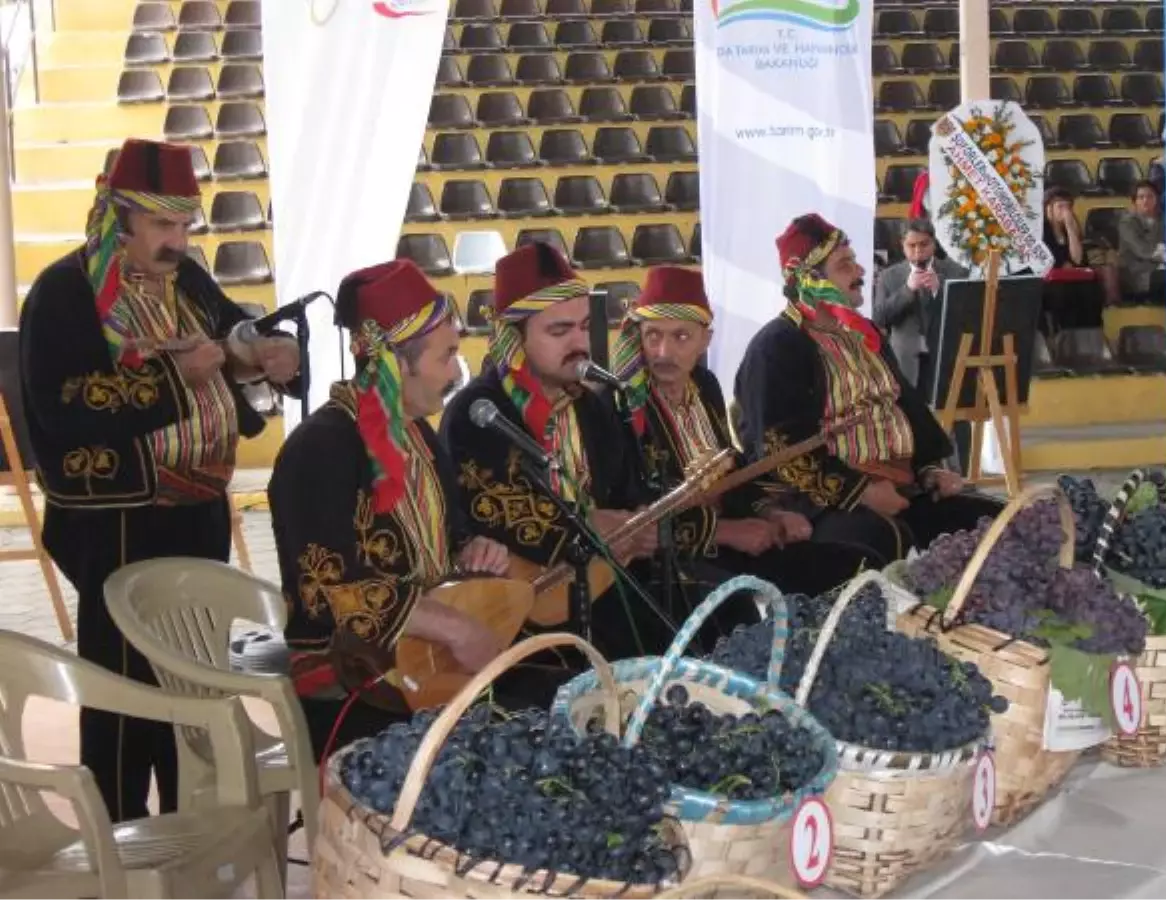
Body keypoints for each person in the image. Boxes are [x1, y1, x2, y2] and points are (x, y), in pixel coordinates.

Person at [18, 138, 301, 824]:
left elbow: (229, 328)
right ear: (119, 216)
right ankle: (121, 839)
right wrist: (178, 377)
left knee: (194, 674)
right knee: (123, 689)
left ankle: (192, 827)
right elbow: (63, 406)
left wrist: (259, 351)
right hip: (117, 521)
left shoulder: (185, 277)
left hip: (195, 511)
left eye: (185, 224)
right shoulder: (65, 292)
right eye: (163, 226)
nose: (178, 241)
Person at [268, 260, 520, 757]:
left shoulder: (418, 434)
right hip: (350, 679)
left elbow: (448, 536)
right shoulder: (320, 449)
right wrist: (455, 627)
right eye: (445, 356)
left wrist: (473, 549)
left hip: (423, 661)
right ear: (394, 363)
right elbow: (331, 592)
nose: (455, 372)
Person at [441, 241, 727, 662]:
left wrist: (644, 528)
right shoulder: (478, 412)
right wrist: (591, 523)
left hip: (604, 586)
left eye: (582, 326)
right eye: (559, 331)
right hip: (520, 610)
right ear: (515, 337)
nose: (579, 342)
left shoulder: (593, 405)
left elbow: (630, 495)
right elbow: (495, 512)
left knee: (715, 623)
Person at [733, 213, 1002, 564]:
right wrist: (860, 492)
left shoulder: (863, 334)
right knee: (889, 545)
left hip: (902, 490)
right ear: (808, 281)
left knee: (996, 526)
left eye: (855, 262)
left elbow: (905, 407)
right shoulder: (777, 346)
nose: (861, 273)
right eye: (845, 265)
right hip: (824, 503)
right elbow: (778, 446)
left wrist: (929, 470)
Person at [610, 264, 883, 595]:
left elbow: (731, 468)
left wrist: (771, 512)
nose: (664, 352)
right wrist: (727, 532)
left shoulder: (704, 385)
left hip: (730, 545)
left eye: (681, 336)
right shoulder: (624, 406)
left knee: (859, 567)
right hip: (673, 566)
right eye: (653, 335)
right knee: (747, 606)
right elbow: (635, 515)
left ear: (705, 340)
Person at [872, 218, 967, 397]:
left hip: (945, 357)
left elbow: (966, 316)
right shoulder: (888, 276)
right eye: (912, 245)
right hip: (905, 359)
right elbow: (878, 318)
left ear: (933, 243)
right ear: (903, 245)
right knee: (912, 418)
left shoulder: (956, 272)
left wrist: (939, 290)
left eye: (924, 244)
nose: (918, 251)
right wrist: (907, 291)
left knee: (953, 418)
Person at [1038, 188, 1113, 336]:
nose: (1065, 211)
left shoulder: (1071, 228)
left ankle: (1090, 335)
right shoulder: (1041, 231)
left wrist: (1071, 229)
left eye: (1068, 207)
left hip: (1072, 277)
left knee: (1091, 290)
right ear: (1048, 209)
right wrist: (1061, 265)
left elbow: (1078, 259)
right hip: (1049, 281)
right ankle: (1066, 336)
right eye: (1060, 207)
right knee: (1064, 294)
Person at [1118, 180, 1166, 305]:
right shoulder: (1127, 222)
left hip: (1163, 267)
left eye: (1150, 196)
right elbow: (1141, 249)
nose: (1145, 200)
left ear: (1156, 199)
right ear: (1135, 201)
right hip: (1136, 272)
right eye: (1141, 197)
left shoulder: (1164, 219)